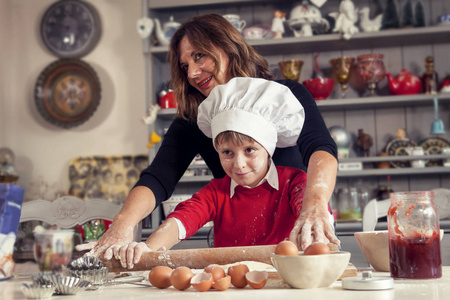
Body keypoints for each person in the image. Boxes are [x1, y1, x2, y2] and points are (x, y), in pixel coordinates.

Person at [77, 13, 339, 259]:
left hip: (300, 232)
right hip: (235, 248)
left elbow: (321, 148)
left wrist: (314, 206)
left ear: (228, 47)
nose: (191, 73)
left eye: (199, 56)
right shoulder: (192, 118)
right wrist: (124, 226)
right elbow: (158, 178)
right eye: (185, 65)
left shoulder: (285, 96)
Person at [112, 77, 322, 268]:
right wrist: (148, 249)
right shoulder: (215, 192)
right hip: (229, 288)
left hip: (285, 284)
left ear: (268, 149)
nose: (239, 164)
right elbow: (181, 221)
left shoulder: (294, 182)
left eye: (249, 150)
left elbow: (308, 213)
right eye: (227, 152)